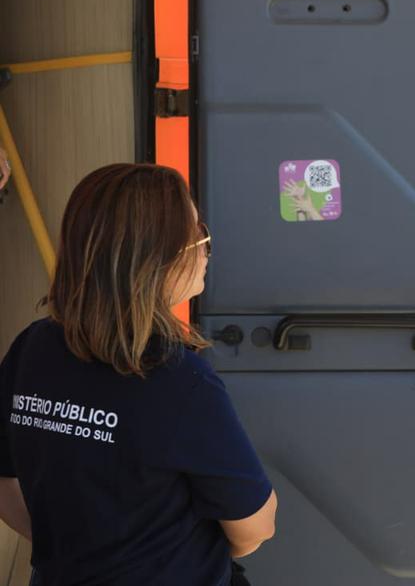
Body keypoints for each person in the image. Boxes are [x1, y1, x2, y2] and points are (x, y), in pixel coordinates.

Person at [0, 163, 276, 585]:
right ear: (154, 260)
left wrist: (75, 556)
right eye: (196, 235)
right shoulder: (180, 381)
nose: (206, 248)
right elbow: (255, 527)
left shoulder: (33, 347)